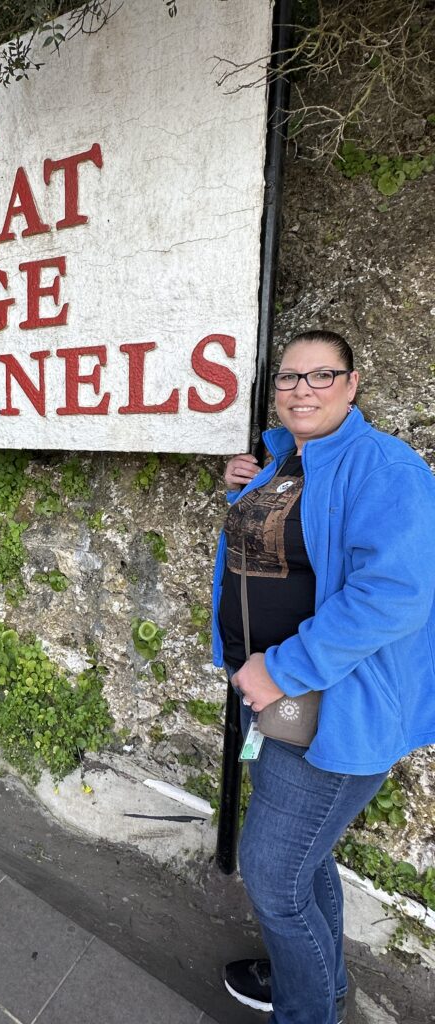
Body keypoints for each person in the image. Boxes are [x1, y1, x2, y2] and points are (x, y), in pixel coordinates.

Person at [211, 331, 435, 1024]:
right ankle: (317, 982)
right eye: (289, 378)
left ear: (352, 384)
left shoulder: (385, 468)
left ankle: (308, 1011)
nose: (301, 389)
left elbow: (392, 594)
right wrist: (242, 487)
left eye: (321, 376)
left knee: (274, 876)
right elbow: (295, 544)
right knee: (303, 859)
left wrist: (279, 668)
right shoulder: (284, 457)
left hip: (333, 707)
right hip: (272, 697)